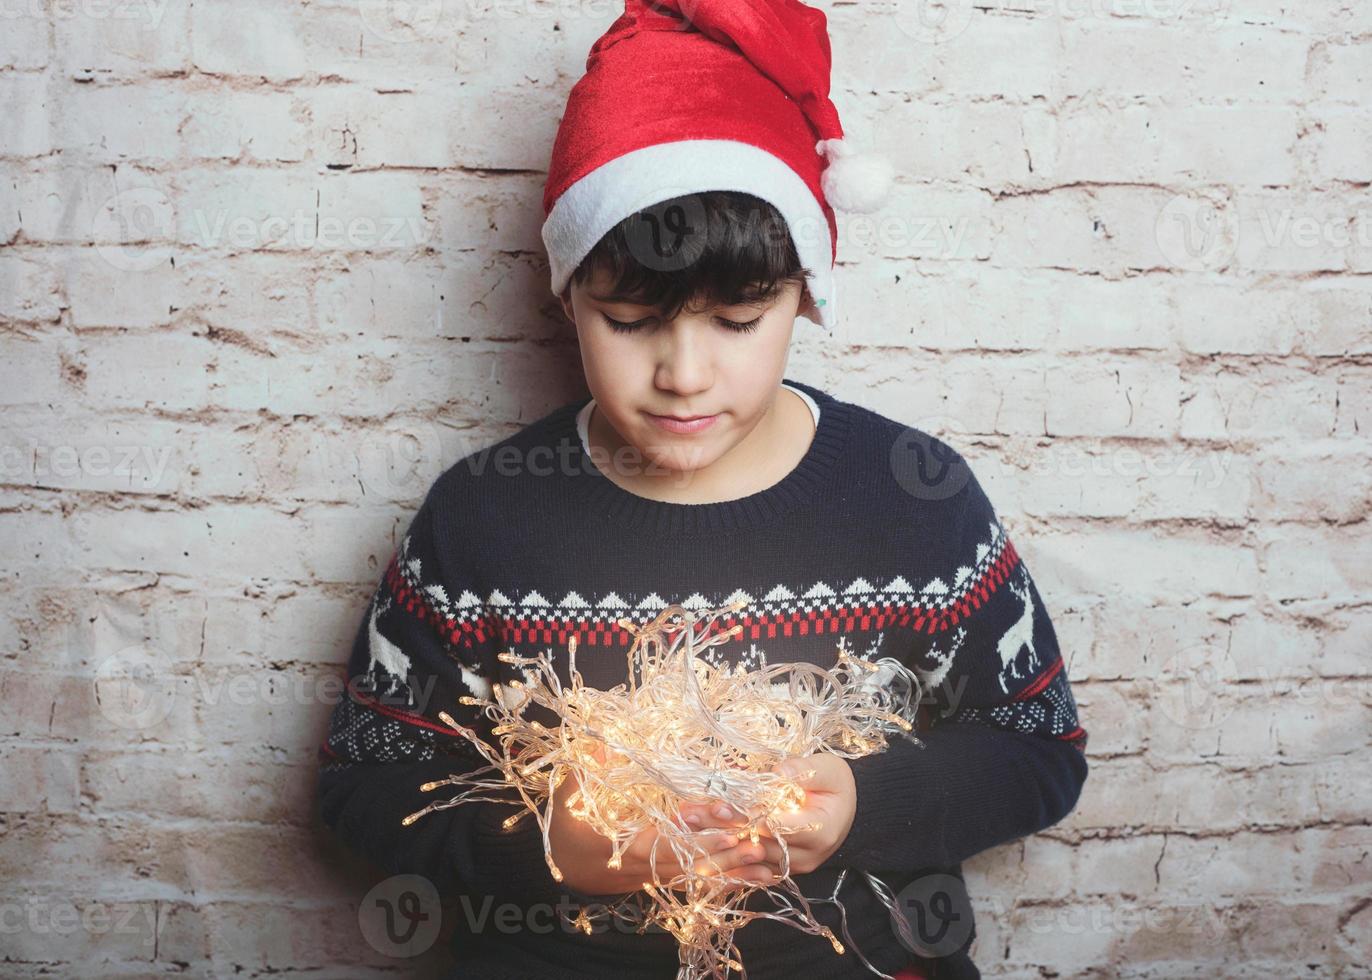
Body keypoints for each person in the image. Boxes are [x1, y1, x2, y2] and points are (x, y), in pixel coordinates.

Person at [316, 2, 1089, 978]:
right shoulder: (481, 518)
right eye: (632, 319)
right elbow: (359, 782)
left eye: (736, 319)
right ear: (567, 296)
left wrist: (864, 801)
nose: (684, 372)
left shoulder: (914, 498)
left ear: (804, 293)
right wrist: (547, 844)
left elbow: (1040, 747)